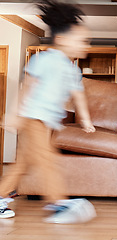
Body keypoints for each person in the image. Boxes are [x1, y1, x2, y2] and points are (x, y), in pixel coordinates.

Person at [0, 0, 96, 223]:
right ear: (62, 40)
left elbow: (79, 95)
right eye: (81, 41)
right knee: (47, 160)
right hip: (32, 118)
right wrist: (14, 113)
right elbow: (28, 87)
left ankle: (1, 195)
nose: (86, 45)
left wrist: (86, 120)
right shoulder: (43, 59)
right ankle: (58, 203)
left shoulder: (73, 70)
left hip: (46, 123)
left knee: (23, 164)